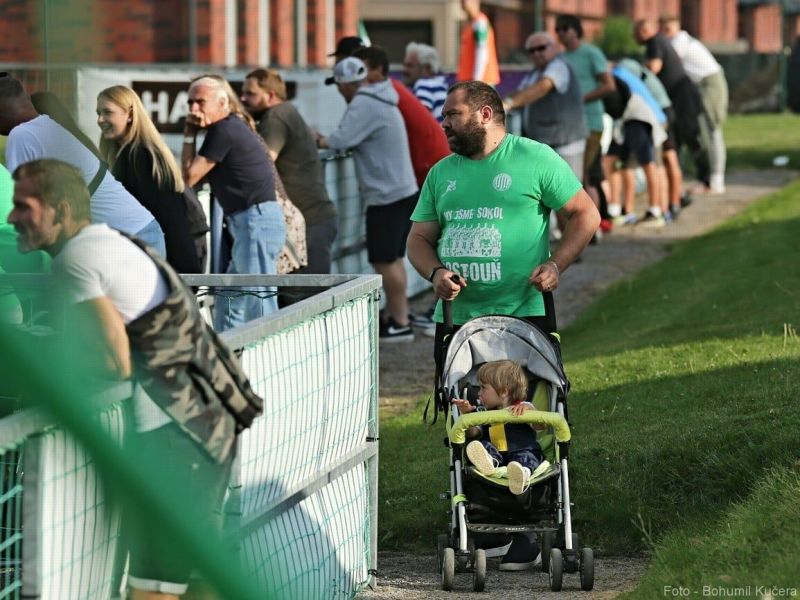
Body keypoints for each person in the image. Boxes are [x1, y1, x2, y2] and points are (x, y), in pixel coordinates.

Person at [8, 158, 263, 600]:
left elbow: (113, 360)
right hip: (206, 422)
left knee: (154, 587)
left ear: (61, 210)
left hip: (175, 437)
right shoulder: (109, 241)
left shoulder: (75, 261)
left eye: (24, 207)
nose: (12, 218)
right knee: (199, 576)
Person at [407, 81, 600, 368]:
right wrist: (436, 274)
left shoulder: (534, 157)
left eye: (453, 115)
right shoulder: (440, 172)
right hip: (456, 318)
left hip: (524, 313)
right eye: (444, 116)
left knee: (526, 408)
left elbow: (586, 215)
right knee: (464, 408)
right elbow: (418, 239)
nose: (443, 124)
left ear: (485, 114)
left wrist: (555, 265)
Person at [0, 74, 166, 254]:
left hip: (128, 241)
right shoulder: (45, 126)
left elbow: (21, 205)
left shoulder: (21, 135)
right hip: (140, 233)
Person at [317, 57, 419, 342]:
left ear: (344, 84)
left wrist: (317, 139)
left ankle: (400, 322)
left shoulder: (363, 103)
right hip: (401, 190)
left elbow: (339, 140)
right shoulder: (381, 97)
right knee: (393, 258)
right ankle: (401, 314)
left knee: (383, 260)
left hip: (386, 195)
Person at [353, 45, 451, 336]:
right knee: (439, 241)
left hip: (427, 170)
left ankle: (433, 315)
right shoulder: (401, 90)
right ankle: (435, 312)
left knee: (435, 243)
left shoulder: (391, 92)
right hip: (432, 168)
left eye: (410, 65)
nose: (404, 69)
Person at [182, 75, 286, 331]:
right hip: (250, 224)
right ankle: (229, 358)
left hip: (255, 223)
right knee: (231, 300)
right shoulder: (228, 127)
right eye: (190, 103)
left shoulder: (223, 130)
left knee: (257, 301)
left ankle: (268, 362)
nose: (194, 109)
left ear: (222, 102)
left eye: (200, 102)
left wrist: (188, 134)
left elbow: (187, 178)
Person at [240, 68, 338, 275]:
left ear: (271, 95)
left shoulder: (275, 118)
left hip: (309, 223)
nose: (243, 98)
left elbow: (260, 164)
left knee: (306, 299)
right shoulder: (286, 111)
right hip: (314, 219)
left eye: (251, 94)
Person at [96, 85, 203, 273]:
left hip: (166, 268)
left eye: (107, 112)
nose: (100, 120)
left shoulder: (138, 157)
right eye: (98, 113)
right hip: (170, 264)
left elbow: (146, 220)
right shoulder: (137, 154)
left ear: (129, 114)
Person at [635, 19, 710, 205]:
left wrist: (637, 71)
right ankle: (678, 193)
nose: (634, 38)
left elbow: (654, 67)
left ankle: (706, 180)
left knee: (690, 140)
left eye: (635, 33)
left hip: (682, 98)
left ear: (644, 31)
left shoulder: (655, 42)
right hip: (678, 98)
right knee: (676, 146)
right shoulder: (660, 41)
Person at [502, 32, 588, 182]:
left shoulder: (558, 66)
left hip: (566, 143)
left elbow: (543, 87)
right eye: (532, 51)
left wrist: (509, 104)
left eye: (541, 48)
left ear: (554, 48)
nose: (536, 53)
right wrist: (501, 101)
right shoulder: (535, 72)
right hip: (546, 143)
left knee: (569, 193)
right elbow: (521, 93)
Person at [451, 360, 543, 496]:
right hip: (497, 455)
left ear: (504, 391)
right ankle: (488, 462)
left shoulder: (522, 407)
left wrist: (529, 411)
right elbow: (472, 433)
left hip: (521, 451)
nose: (478, 393)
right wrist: (467, 416)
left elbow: (541, 425)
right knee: (482, 445)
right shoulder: (483, 413)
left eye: (483, 388)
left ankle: (522, 474)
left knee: (526, 457)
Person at [660, 14, 728, 194]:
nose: (665, 34)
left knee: (713, 131)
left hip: (709, 83)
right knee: (702, 132)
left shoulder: (679, 43)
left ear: (676, 27)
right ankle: (707, 179)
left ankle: (716, 180)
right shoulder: (679, 42)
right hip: (698, 86)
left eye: (668, 29)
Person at [555, 14, 615, 212]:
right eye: (558, 30)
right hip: (568, 126)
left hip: (591, 122)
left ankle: (591, 226)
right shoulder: (560, 58)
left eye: (565, 29)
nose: (561, 34)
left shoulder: (590, 53)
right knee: (571, 177)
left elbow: (608, 85)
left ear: (576, 30)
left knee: (587, 175)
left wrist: (581, 99)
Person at [601, 73, 667, 227]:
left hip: (638, 119)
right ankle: (619, 210)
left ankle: (655, 211)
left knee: (648, 164)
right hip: (624, 121)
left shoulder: (614, 75)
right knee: (613, 161)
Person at [457, 0, 500, 85]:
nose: (461, 3)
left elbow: (482, 50)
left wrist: (477, 80)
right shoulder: (470, 23)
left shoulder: (480, 22)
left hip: (482, 81)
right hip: (470, 81)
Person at [403, 42, 449, 121]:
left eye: (410, 66)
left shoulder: (424, 84)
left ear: (427, 68)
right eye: (405, 65)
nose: (405, 70)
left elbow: (420, 119)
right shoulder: (441, 85)